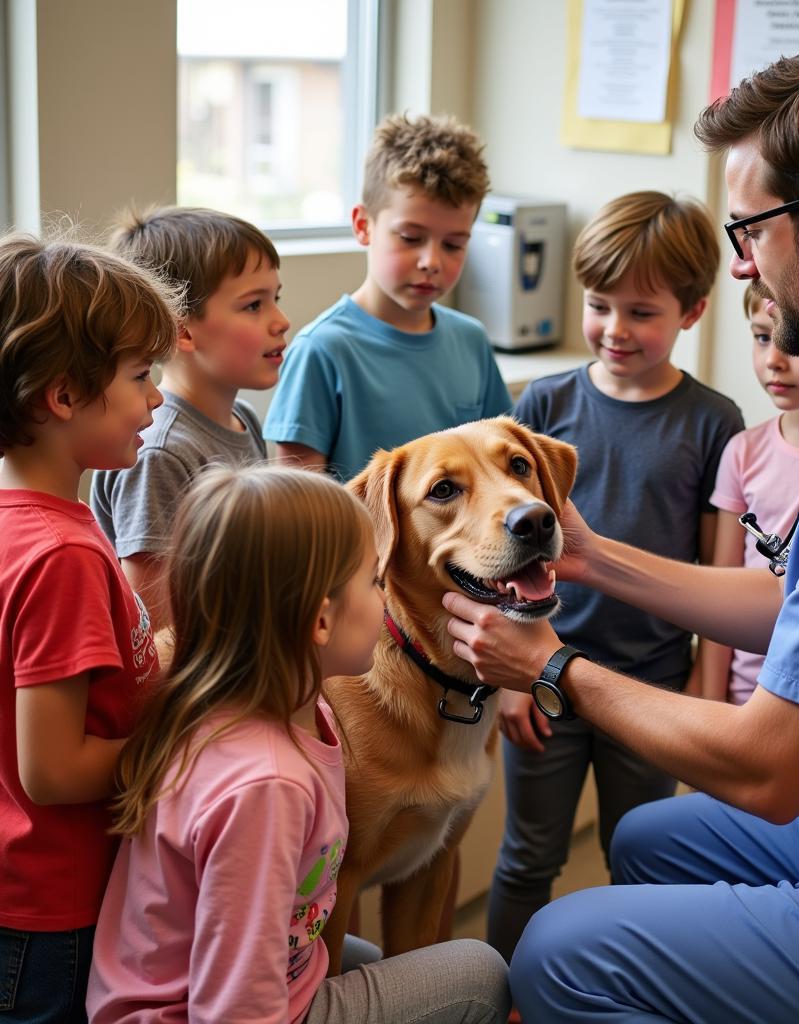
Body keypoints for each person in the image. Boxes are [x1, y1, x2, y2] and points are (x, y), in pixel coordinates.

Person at [442, 33, 799, 1023]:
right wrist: (591, 557)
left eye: (749, 228)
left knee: (558, 951)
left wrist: (552, 668)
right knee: (648, 841)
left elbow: (770, 766)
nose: (745, 262)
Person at [86, 465, 511, 1024]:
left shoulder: (282, 717)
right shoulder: (264, 786)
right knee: (479, 974)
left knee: (385, 963)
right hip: (199, 1011)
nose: (386, 601)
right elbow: (234, 1008)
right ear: (320, 621)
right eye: (372, 582)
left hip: (266, 968)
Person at [488, 191, 743, 963]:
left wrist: (705, 686)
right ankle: (502, 1003)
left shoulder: (712, 420)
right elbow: (506, 554)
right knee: (529, 859)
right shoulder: (544, 403)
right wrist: (508, 675)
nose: (616, 330)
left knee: (646, 867)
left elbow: (717, 572)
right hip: (543, 684)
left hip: (654, 690)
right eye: (600, 306)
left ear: (693, 311)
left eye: (643, 312)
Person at [0, 234, 180, 1022]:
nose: (157, 398)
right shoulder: (62, 554)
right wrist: (185, 748)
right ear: (64, 396)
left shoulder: (32, 522)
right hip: (54, 918)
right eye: (141, 376)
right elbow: (55, 770)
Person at [264, 112, 512, 482]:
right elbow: (300, 511)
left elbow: (498, 467)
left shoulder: (471, 340)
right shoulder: (322, 350)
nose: (431, 261)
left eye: (454, 244)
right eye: (411, 238)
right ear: (364, 226)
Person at [90, 206, 289, 632]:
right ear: (181, 330)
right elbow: (156, 629)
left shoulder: (244, 418)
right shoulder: (161, 452)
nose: (281, 321)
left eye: (277, 298)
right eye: (254, 305)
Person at [698, 285, 799, 705]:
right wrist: (711, 706)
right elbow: (718, 595)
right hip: (745, 697)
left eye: (795, 342)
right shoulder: (743, 453)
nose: (773, 360)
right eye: (763, 337)